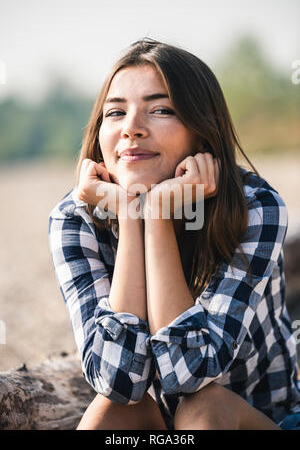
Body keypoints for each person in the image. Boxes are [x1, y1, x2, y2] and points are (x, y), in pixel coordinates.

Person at [48, 38, 300, 430]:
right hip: (161, 420)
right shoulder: (74, 219)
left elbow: (190, 376)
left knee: (206, 407)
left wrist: (160, 217)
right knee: (113, 411)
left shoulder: (255, 207)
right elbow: (117, 382)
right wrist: (133, 216)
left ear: (202, 132)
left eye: (161, 109)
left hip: (261, 418)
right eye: (115, 113)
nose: (132, 128)